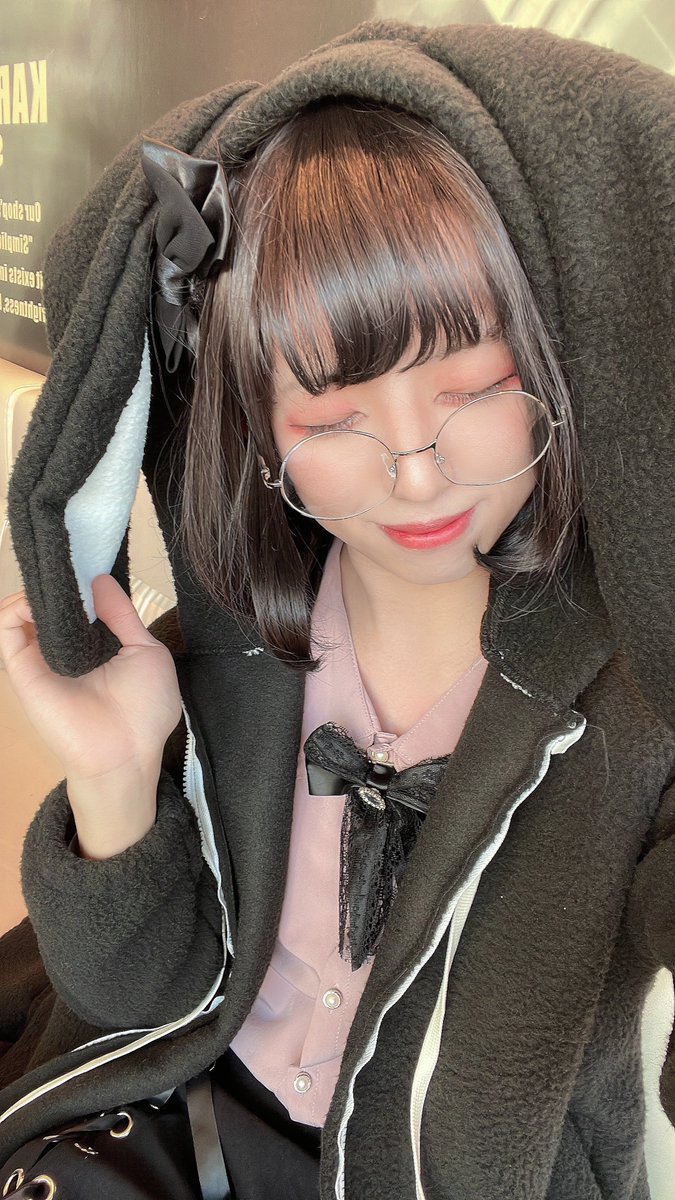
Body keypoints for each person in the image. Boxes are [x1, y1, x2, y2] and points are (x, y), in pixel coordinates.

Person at [0, 18, 673, 1200]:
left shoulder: (638, 702)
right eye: (330, 417)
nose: (414, 473)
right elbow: (131, 1004)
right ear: (260, 429)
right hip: (188, 1134)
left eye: (471, 388)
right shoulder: (229, 647)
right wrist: (118, 776)